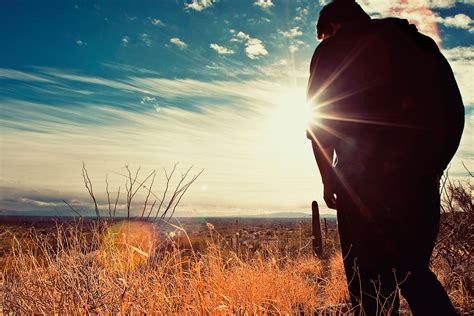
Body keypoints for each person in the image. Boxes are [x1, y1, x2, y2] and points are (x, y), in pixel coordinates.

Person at [306, 0, 465, 315]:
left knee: (370, 289)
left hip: (359, 183)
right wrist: (433, 167)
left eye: (324, 36)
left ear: (332, 26)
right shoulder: (416, 44)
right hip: (419, 181)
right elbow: (454, 110)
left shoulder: (331, 50)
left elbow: (319, 124)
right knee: (413, 273)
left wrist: (329, 180)